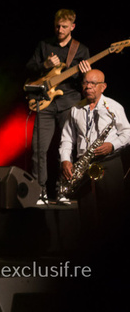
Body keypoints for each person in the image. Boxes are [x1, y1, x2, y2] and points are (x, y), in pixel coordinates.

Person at [26, 9, 91, 203]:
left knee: (66, 148)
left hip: (68, 102)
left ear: (72, 26)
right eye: (57, 26)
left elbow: (84, 83)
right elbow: (29, 68)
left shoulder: (81, 50)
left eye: (64, 26)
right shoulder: (44, 45)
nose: (60, 29)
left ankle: (63, 190)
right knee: (39, 149)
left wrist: (84, 74)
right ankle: (40, 191)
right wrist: (45, 64)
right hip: (45, 102)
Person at [59, 69, 130, 237]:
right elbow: (67, 138)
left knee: (113, 211)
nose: (88, 87)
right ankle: (89, 251)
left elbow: (127, 133)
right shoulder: (75, 109)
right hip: (84, 164)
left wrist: (112, 145)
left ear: (103, 87)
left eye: (93, 83)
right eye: (85, 83)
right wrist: (65, 160)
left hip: (109, 161)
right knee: (87, 212)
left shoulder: (114, 107)